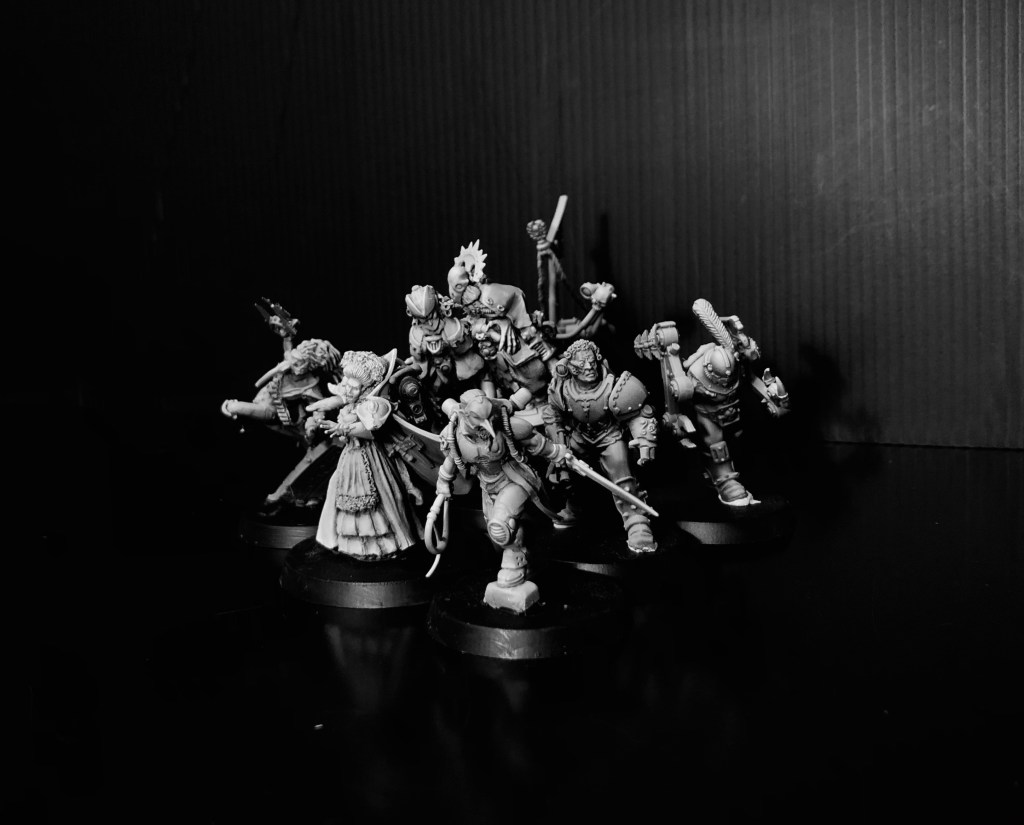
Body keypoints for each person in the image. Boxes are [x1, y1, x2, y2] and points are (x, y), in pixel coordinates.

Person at [307, 350, 423, 560]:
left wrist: (342, 428)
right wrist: (326, 404)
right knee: (336, 488)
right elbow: (341, 398)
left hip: (371, 456)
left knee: (381, 497)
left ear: (366, 388)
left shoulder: (376, 405)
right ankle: (338, 540)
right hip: (350, 456)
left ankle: (386, 545)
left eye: (354, 387)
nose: (348, 390)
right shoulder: (353, 402)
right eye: (347, 384)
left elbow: (370, 430)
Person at [545, 339, 659, 552]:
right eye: (581, 364)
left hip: (609, 436)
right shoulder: (562, 388)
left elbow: (640, 412)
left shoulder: (613, 385)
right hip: (578, 437)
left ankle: (636, 522)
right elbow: (551, 414)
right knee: (568, 474)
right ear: (571, 367)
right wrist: (559, 442)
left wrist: (644, 441)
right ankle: (574, 507)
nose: (589, 367)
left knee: (622, 472)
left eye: (592, 362)